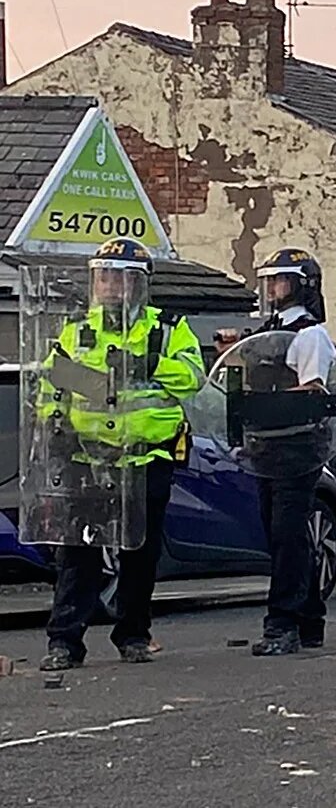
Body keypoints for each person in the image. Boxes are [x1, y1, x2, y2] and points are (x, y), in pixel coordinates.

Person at [36, 239, 205, 670]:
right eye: (103, 276)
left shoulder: (166, 329)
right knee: (79, 555)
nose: (110, 286)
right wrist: (55, 427)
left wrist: (151, 363)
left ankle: (133, 634)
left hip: (146, 459)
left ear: (137, 283)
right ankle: (64, 642)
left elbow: (193, 378)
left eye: (119, 277)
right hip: (88, 459)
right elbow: (52, 386)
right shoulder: (76, 329)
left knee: (139, 557)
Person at [249, 247, 336, 657]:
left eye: (280, 280)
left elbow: (313, 389)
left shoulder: (309, 334)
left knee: (288, 535)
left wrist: (271, 399)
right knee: (281, 534)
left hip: (299, 445)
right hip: (269, 444)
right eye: (269, 280)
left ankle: (282, 623)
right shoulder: (268, 330)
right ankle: (309, 617)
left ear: (302, 286)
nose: (272, 288)